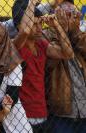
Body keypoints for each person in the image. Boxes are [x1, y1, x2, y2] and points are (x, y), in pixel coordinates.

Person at [12, 0, 74, 132]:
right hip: (22, 116)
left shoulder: (41, 44)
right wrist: (31, 4)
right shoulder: (15, 46)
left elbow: (68, 53)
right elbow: (24, 31)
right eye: (34, 24)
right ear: (18, 26)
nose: (40, 28)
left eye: (40, 22)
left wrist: (57, 26)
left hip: (42, 113)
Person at [43, 1, 86, 133]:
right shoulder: (46, 35)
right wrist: (59, 30)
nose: (70, 18)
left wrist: (74, 32)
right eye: (65, 14)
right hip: (61, 111)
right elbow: (49, 64)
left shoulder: (78, 34)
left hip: (83, 109)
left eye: (73, 14)